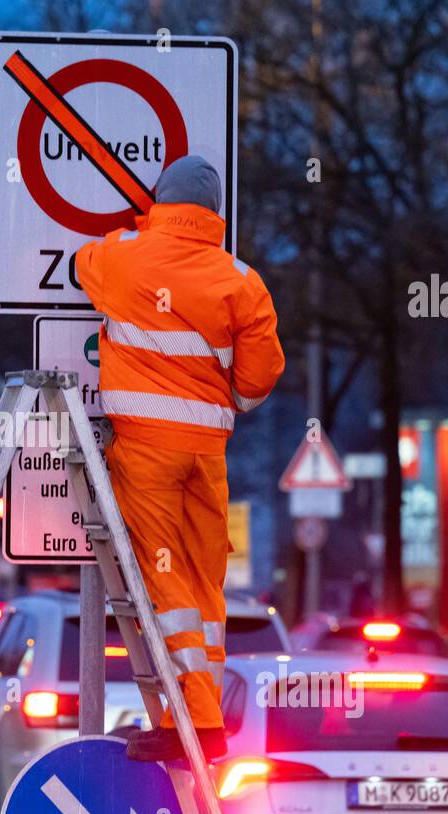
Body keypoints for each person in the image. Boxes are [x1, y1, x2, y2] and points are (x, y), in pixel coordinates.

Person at [76, 155, 285, 762]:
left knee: (163, 579)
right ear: (215, 213)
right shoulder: (241, 279)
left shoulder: (122, 257)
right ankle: (197, 713)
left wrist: (134, 230)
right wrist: (233, 399)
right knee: (204, 582)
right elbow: (261, 374)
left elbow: (82, 262)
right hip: (208, 452)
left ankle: (194, 723)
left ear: (160, 201)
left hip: (146, 447)